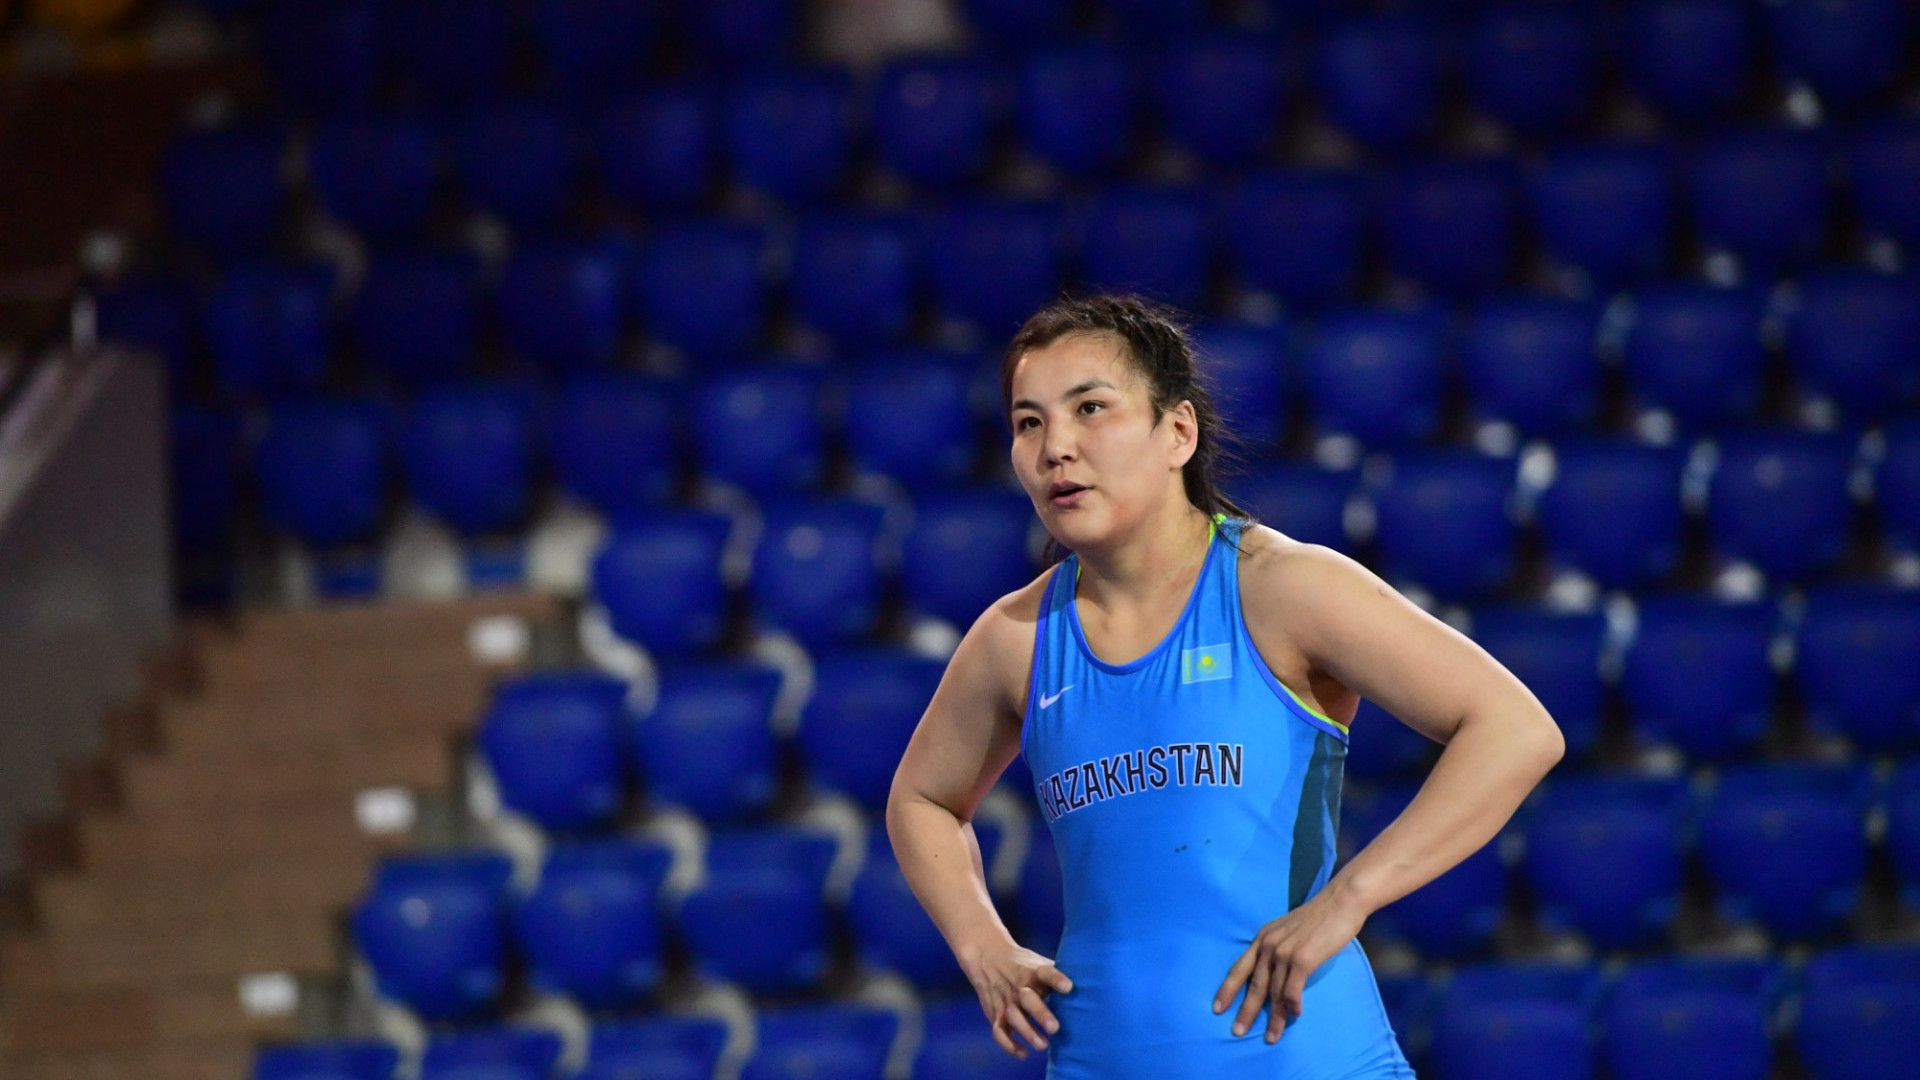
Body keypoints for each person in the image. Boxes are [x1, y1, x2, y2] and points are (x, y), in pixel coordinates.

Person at [884, 295, 1565, 1078]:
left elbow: (1516, 730)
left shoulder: (1281, 588)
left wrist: (1350, 898)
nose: (1055, 448)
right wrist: (983, 946)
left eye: (1090, 408)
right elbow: (921, 799)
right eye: (1028, 422)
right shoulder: (1016, 638)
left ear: (1178, 432)